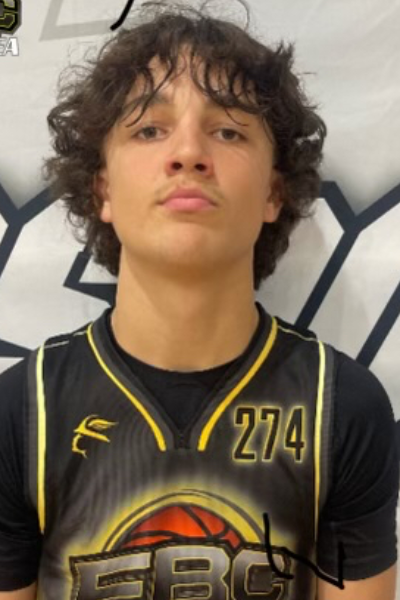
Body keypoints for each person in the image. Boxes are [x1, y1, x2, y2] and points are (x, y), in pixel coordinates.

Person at [0, 1, 398, 598]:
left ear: (274, 191)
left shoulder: (341, 408)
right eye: (149, 129)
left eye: (228, 130)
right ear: (102, 189)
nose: (187, 153)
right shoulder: (21, 411)